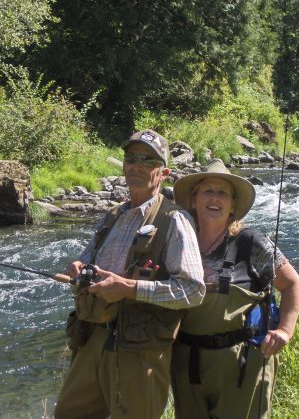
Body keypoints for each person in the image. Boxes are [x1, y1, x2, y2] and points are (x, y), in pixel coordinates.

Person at [54, 129, 205, 419]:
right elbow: (85, 263)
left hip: (141, 351)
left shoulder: (175, 220)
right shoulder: (111, 215)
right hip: (92, 340)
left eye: (148, 161)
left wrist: (130, 289)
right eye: (131, 158)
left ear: (163, 173)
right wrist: (76, 269)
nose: (137, 166)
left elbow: (193, 290)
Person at [171, 158, 299, 419]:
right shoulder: (177, 241)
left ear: (233, 205)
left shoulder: (250, 241)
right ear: (193, 199)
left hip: (242, 365)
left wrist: (285, 330)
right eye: (208, 190)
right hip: (187, 364)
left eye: (223, 193)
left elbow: (292, 284)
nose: (215, 198)